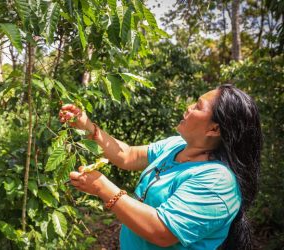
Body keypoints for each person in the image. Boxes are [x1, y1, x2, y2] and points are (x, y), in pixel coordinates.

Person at [59, 84, 262, 250]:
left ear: (214, 128)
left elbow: (162, 232)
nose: (189, 107)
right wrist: (87, 126)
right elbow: (128, 155)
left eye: (198, 107)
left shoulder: (217, 180)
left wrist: (102, 188)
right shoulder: (176, 146)